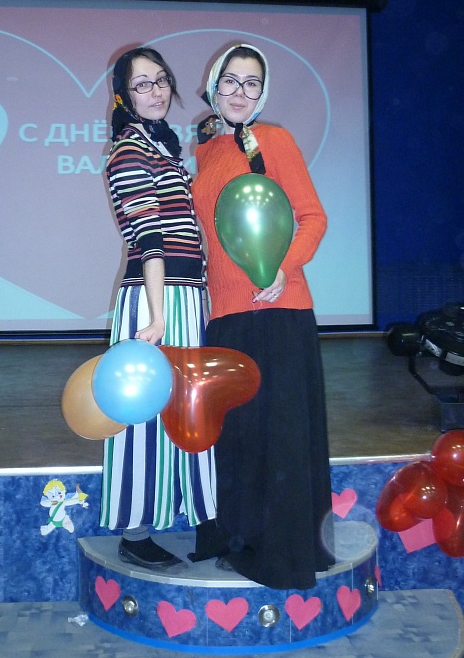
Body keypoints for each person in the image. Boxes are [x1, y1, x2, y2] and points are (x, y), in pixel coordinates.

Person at [190, 43, 334, 590]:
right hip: (226, 316)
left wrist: (283, 267)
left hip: (278, 309)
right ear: (213, 84)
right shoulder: (206, 150)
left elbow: (312, 218)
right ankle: (242, 538)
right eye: (230, 80)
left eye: (251, 83)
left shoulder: (275, 140)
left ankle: (283, 553)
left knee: (279, 439)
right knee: (241, 437)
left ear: (262, 92)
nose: (240, 92)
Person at [99, 47, 216, 570]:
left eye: (162, 79)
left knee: (191, 407)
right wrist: (159, 315)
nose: (157, 91)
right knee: (143, 414)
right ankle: (135, 533)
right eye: (143, 83)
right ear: (124, 96)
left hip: (183, 297)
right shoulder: (129, 150)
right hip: (157, 301)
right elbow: (149, 240)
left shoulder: (163, 149)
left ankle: (205, 517)